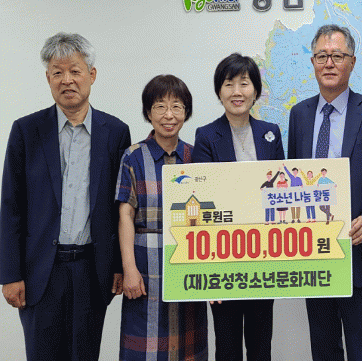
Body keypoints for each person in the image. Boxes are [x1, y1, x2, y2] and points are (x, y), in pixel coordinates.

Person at [0, 33, 131, 360]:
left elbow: (120, 207)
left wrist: (118, 265)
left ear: (92, 75)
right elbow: (11, 208)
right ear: (48, 78)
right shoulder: (26, 131)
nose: (67, 80)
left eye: (75, 70)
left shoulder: (116, 133)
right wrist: (10, 274)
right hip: (40, 272)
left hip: (92, 270)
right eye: (57, 72)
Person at [287, 24, 362, 361]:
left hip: (357, 251)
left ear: (352, 62)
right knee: (323, 348)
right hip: (313, 256)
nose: (329, 63)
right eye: (321, 56)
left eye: (337, 56)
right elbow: (293, 181)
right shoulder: (299, 115)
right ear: (313, 62)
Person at [192, 53, 284, 361]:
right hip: (223, 261)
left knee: (261, 346)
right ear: (219, 92)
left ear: (255, 90)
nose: (237, 92)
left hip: (264, 259)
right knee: (227, 348)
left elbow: (281, 194)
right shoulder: (206, 136)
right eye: (229, 84)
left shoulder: (271, 133)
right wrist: (210, 274)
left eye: (244, 83)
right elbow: (205, 202)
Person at [116, 75, 208, 360]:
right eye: (160, 107)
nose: (169, 115)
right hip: (146, 267)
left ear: (186, 112)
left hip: (188, 264)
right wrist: (129, 269)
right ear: (148, 112)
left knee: (187, 348)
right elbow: (125, 215)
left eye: (177, 107)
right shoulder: (132, 157)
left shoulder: (197, 156)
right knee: (145, 348)